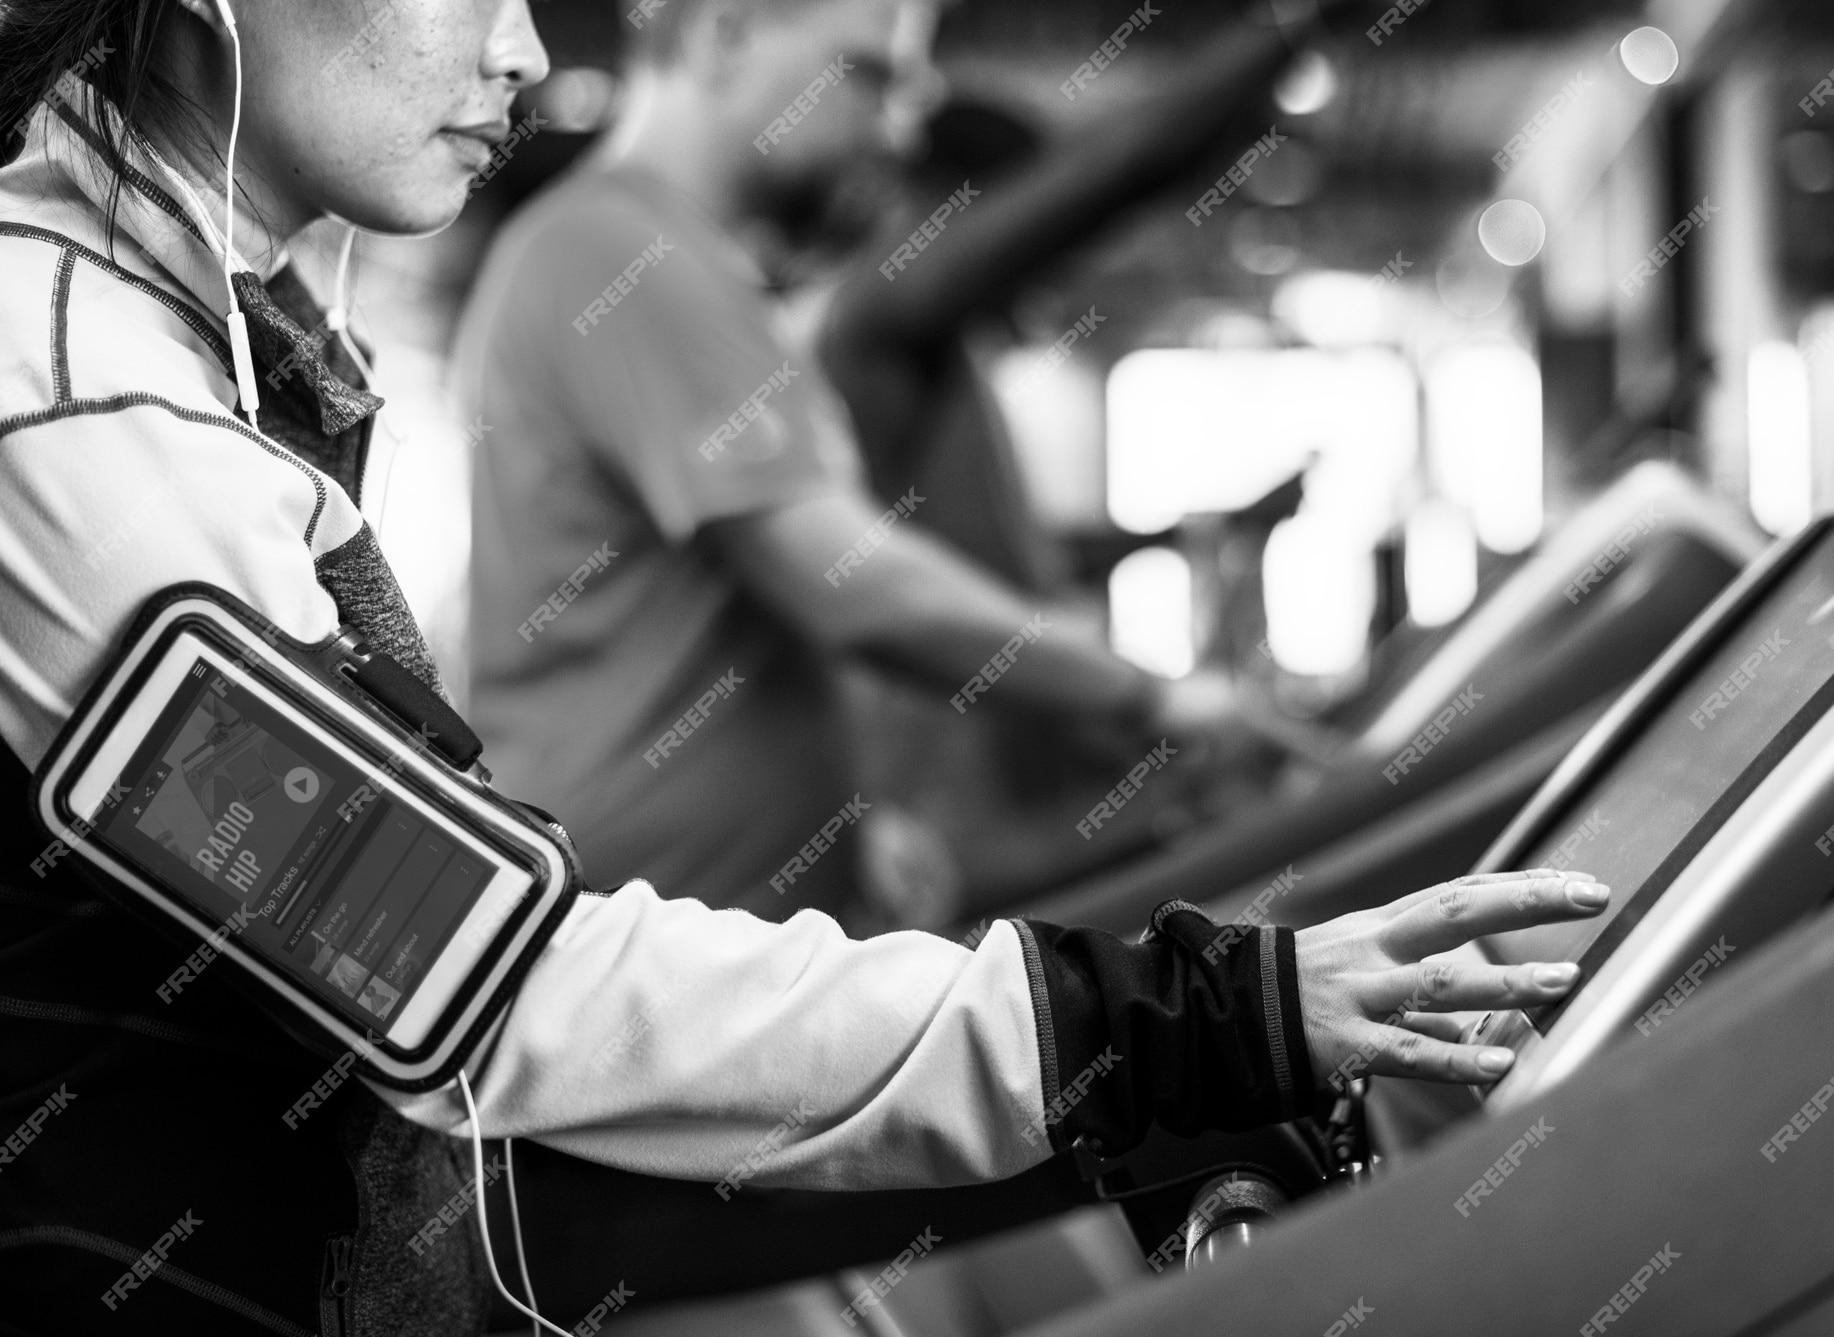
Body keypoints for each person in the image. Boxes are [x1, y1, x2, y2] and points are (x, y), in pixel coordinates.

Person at [0, 0, 1606, 1332]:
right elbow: (474, 981)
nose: (518, 51)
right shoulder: (80, 413)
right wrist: (1180, 1018)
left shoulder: (181, 356)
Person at [459, 0, 1265, 925]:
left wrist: (855, 818)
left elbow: (746, 617)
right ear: (725, 38)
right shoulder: (616, 253)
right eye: (869, 75)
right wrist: (1144, 692)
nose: (895, 123)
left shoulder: (688, 269)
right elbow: (849, 586)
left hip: (701, 933)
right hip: (642, 946)